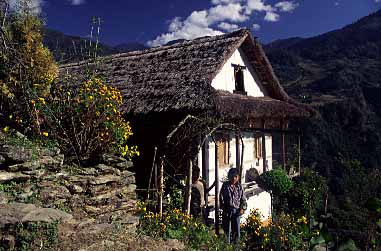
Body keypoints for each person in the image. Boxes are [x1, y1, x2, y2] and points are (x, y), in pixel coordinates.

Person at [220, 168, 247, 244]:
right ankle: (227, 247)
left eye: (235, 176)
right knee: (227, 231)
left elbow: (243, 200)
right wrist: (223, 208)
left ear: (238, 177)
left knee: (236, 231)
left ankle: (236, 246)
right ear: (229, 176)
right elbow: (221, 199)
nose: (234, 178)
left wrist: (242, 209)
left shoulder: (240, 187)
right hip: (227, 210)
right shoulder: (225, 186)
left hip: (236, 211)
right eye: (232, 176)